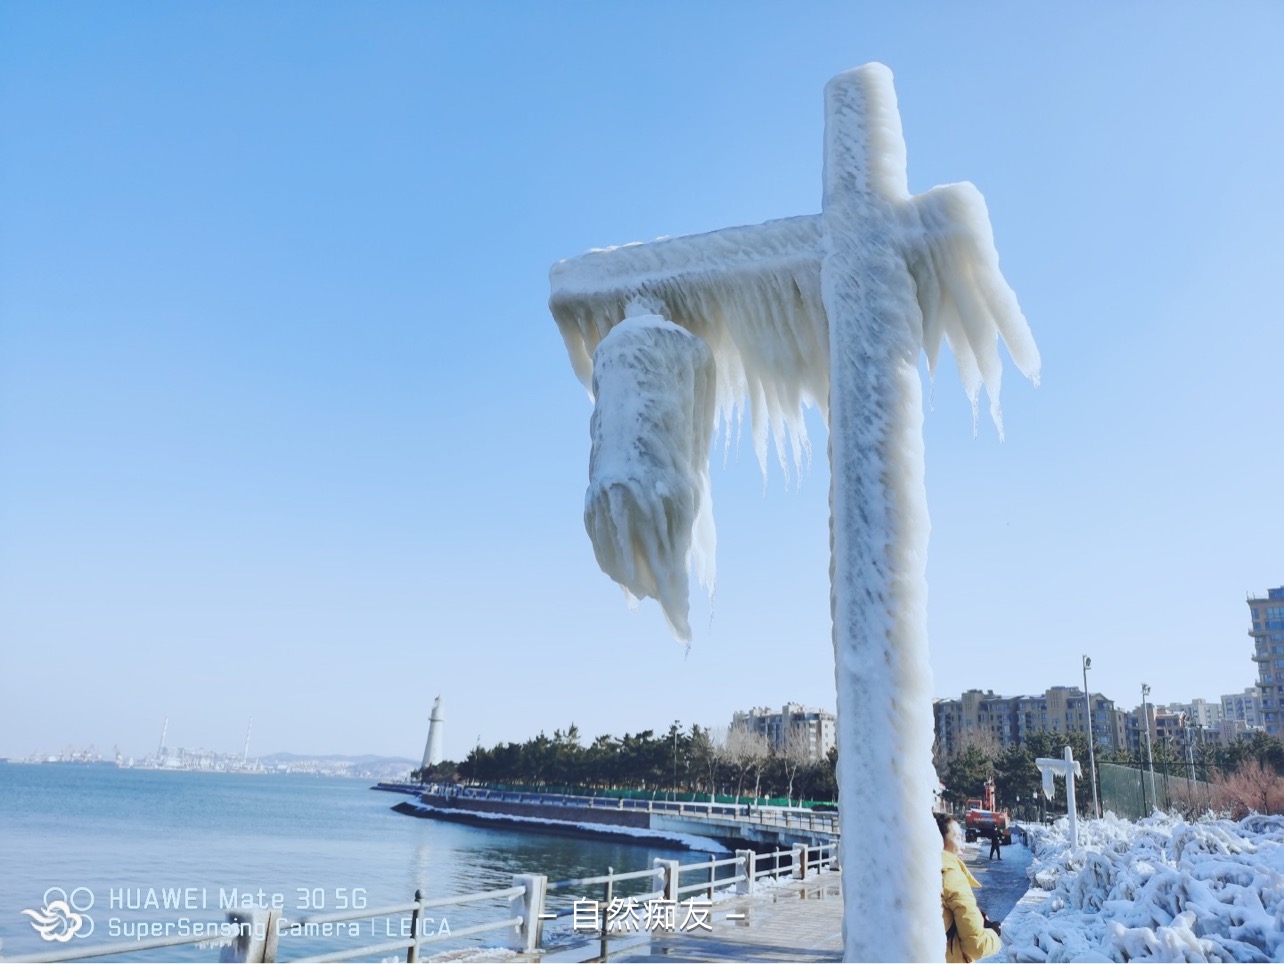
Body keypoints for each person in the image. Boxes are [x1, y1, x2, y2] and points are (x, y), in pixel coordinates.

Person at [936, 812, 1002, 963]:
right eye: (958, 838)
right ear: (939, 841)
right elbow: (976, 946)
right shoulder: (952, 876)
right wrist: (994, 933)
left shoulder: (911, 876)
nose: (963, 846)